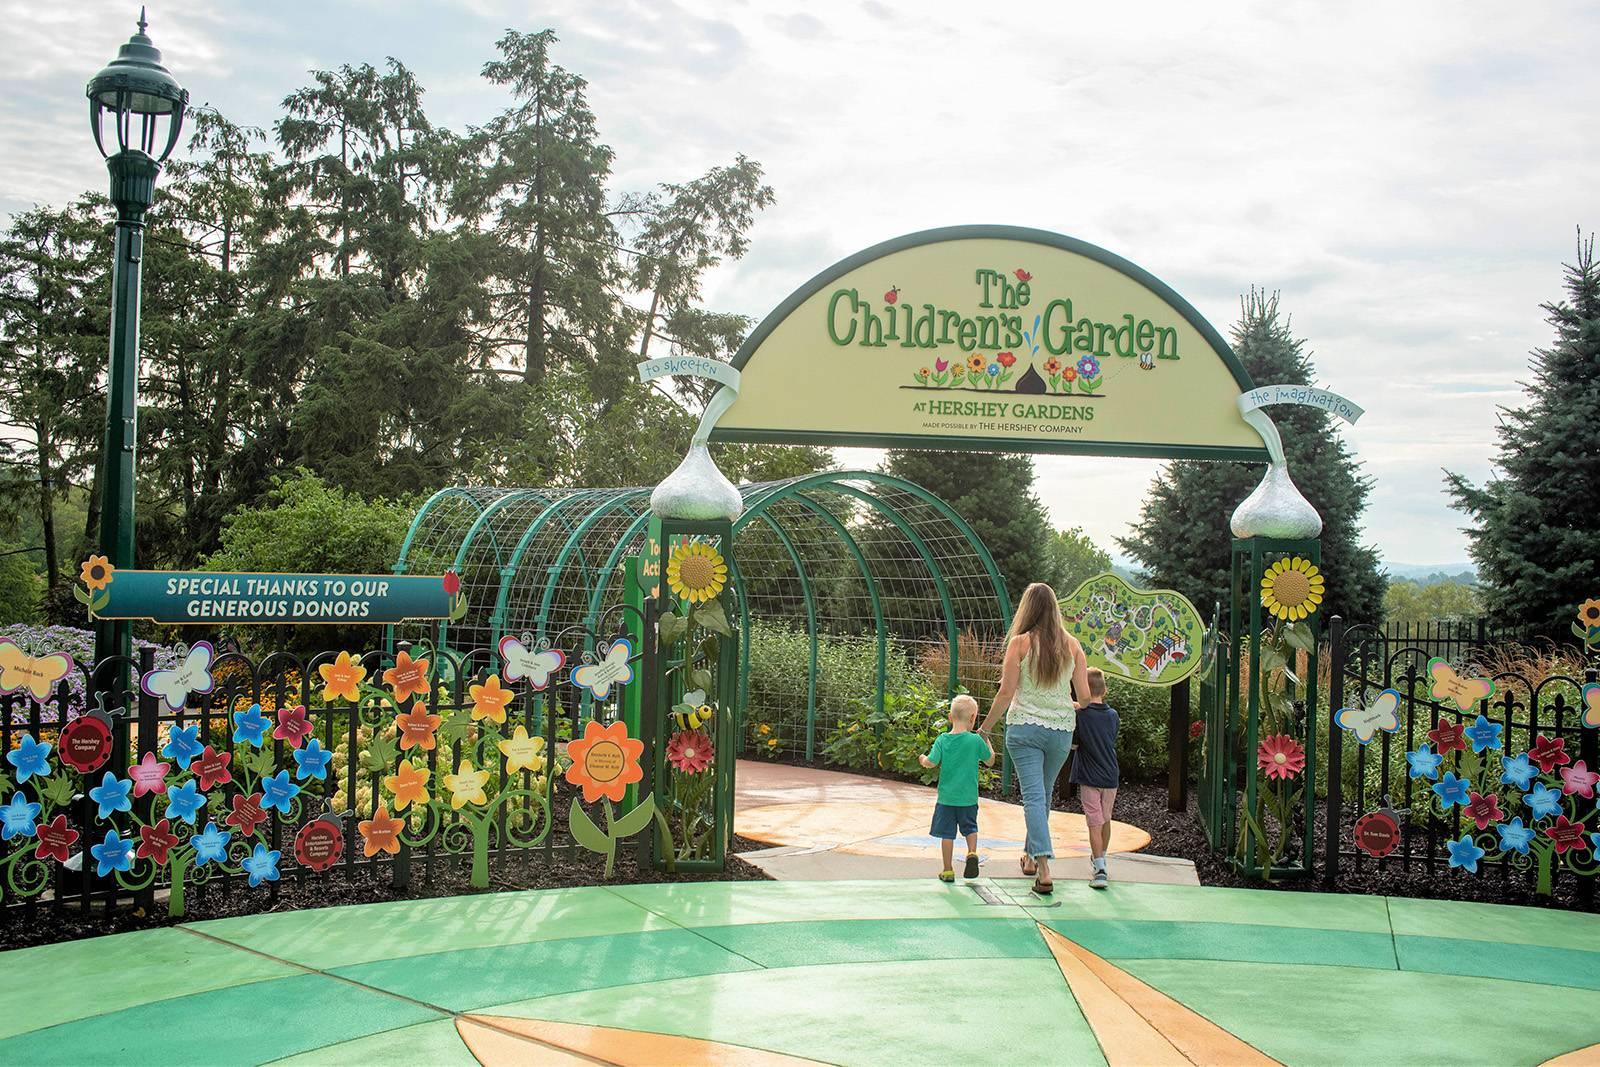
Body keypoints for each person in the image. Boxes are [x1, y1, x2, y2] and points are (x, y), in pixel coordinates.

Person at [978, 581, 1090, 894]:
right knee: (1041, 794)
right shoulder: (1073, 646)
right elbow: (1083, 696)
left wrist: (985, 729)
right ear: (1054, 609)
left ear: (1027, 608)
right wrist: (1062, 703)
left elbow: (1006, 691)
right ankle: (1029, 858)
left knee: (1033, 797)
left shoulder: (1020, 643)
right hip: (1060, 733)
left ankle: (1043, 867)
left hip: (1025, 729)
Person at [919, 694, 995, 882]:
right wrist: (986, 740)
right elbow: (990, 761)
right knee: (970, 828)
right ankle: (971, 853)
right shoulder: (975, 741)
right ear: (973, 718)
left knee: (947, 834)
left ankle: (947, 869)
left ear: (950, 717)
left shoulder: (942, 740)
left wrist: (922, 759)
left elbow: (931, 762)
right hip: (969, 798)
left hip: (946, 798)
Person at [1069, 668, 1120, 889]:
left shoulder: (1081, 716)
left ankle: (1100, 870)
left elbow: (1074, 745)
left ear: (1083, 690)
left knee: (1093, 822)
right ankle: (1102, 857)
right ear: (1104, 689)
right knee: (1105, 818)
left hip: (1089, 777)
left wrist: (1076, 709)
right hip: (1111, 776)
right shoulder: (1113, 715)